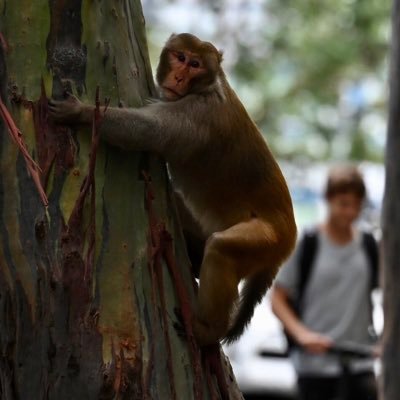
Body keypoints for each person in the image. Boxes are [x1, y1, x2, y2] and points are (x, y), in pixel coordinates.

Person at [271, 165, 379, 400]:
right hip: (316, 365)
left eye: (356, 205)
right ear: (329, 200)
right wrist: (302, 335)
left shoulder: (368, 245)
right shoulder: (309, 243)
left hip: (359, 361)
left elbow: (389, 296)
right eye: (343, 204)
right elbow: (277, 299)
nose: (350, 212)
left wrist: (386, 340)